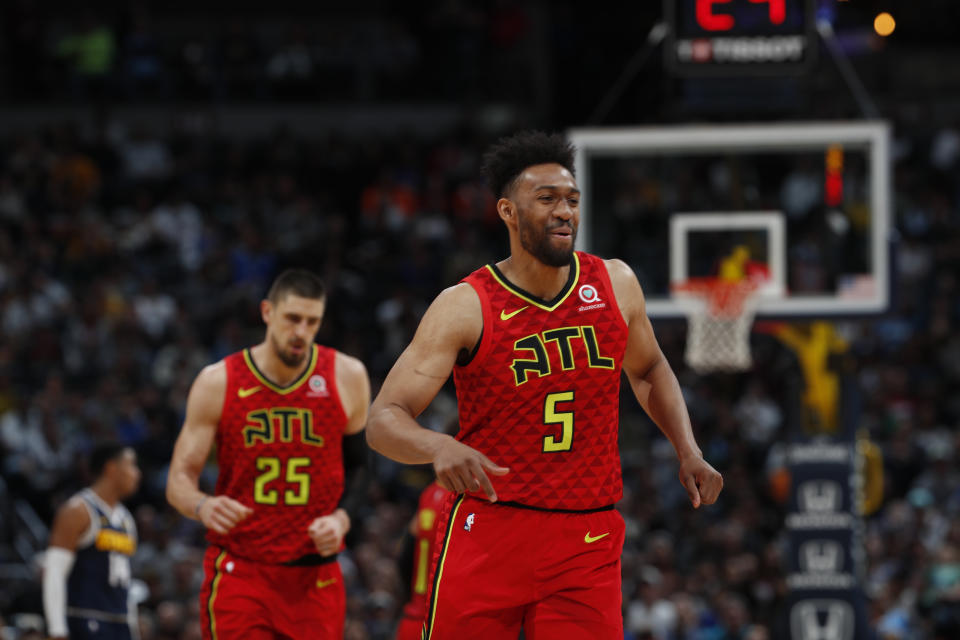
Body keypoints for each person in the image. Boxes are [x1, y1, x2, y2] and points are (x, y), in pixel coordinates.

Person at [366, 131, 724, 639]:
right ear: (508, 212)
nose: (564, 212)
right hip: (492, 529)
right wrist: (437, 446)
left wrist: (687, 450)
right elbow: (383, 420)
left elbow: (649, 370)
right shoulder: (466, 305)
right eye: (547, 199)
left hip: (587, 535)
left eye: (572, 200)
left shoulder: (615, 283)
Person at [165, 269, 370, 640]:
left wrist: (342, 519)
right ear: (267, 312)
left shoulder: (348, 375)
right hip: (243, 569)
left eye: (312, 322)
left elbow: (360, 468)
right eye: (293, 318)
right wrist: (202, 506)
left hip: (315, 575)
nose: (301, 331)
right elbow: (179, 479)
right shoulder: (218, 381)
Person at [43, 443, 141, 640]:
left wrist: (133, 628)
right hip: (85, 621)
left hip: (120, 622)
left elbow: (126, 582)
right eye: (131, 465)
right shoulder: (77, 510)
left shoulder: (126, 519)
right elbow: (54, 572)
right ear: (111, 468)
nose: (137, 473)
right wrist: (57, 629)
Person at [395, 481, 450, 640]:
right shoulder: (433, 493)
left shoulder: (431, 492)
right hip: (429, 616)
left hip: (420, 613)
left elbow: (404, 556)